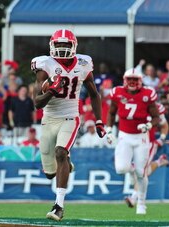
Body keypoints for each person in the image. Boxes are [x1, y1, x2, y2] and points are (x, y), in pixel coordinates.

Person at [31, 29, 106, 221]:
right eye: (59, 45)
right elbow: (37, 102)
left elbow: (94, 94)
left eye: (66, 45)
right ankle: (66, 162)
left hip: (70, 117)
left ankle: (58, 206)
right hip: (48, 119)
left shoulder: (83, 63)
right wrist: (51, 92)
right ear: (52, 46)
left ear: (74, 46)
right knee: (50, 173)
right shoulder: (44, 64)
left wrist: (99, 120)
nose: (62, 49)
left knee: (60, 153)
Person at [106, 68, 160, 215]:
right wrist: (109, 130)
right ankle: (132, 172)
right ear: (124, 80)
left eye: (135, 80)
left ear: (140, 81)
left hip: (141, 137)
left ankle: (141, 203)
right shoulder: (117, 92)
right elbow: (111, 113)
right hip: (124, 135)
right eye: (130, 79)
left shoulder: (147, 94)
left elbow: (157, 117)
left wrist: (148, 125)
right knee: (121, 168)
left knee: (141, 173)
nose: (132, 82)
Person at [124, 101, 169, 208]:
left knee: (141, 172)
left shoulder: (157, 108)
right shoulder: (133, 104)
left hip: (148, 143)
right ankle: (159, 162)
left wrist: (162, 139)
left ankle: (134, 198)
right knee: (133, 168)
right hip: (133, 141)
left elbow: (165, 125)